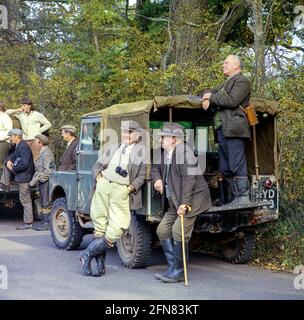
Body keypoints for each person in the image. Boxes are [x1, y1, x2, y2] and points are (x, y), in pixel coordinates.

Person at [79, 120, 147, 277]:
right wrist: (99, 179)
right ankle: (100, 266)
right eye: (124, 132)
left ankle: (86, 254)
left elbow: (142, 176)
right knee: (100, 225)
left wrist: (128, 189)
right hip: (104, 186)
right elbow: (96, 165)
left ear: (137, 135)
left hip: (121, 190)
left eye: (130, 132)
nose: (126, 135)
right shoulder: (112, 147)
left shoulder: (141, 152)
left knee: (119, 226)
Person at [151, 122, 211, 283]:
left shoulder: (185, 153)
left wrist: (184, 203)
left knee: (178, 231)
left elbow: (189, 180)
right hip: (174, 202)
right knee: (162, 231)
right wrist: (157, 179)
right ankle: (172, 268)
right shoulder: (166, 153)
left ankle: (179, 271)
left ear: (174, 139)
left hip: (192, 200)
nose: (161, 140)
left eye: (164, 137)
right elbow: (154, 167)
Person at [202, 55, 251, 206]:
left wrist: (211, 98)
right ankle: (231, 199)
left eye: (226, 63)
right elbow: (209, 90)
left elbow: (231, 100)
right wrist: (206, 96)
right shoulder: (224, 83)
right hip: (222, 130)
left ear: (236, 65)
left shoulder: (242, 81)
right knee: (225, 166)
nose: (223, 65)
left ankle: (242, 197)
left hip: (235, 129)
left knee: (236, 163)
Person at [0, 129, 35, 230]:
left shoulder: (23, 147)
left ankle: (28, 223)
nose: (10, 138)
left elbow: (24, 164)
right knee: (24, 199)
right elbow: (11, 156)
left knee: (25, 200)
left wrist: (13, 168)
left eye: (11, 136)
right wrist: (8, 161)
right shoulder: (18, 146)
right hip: (21, 177)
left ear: (17, 136)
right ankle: (4, 185)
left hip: (24, 177)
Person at [29, 134, 55, 231]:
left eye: (36, 142)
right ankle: (44, 222)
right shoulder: (43, 152)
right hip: (43, 182)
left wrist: (42, 179)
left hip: (46, 182)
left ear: (40, 143)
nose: (34, 144)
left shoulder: (46, 153)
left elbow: (48, 171)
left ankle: (47, 223)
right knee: (44, 201)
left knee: (46, 202)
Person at [0, 101, 13, 167]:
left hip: (4, 142)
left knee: (1, 163)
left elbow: (10, 131)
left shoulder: (5, 117)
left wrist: (1, 138)